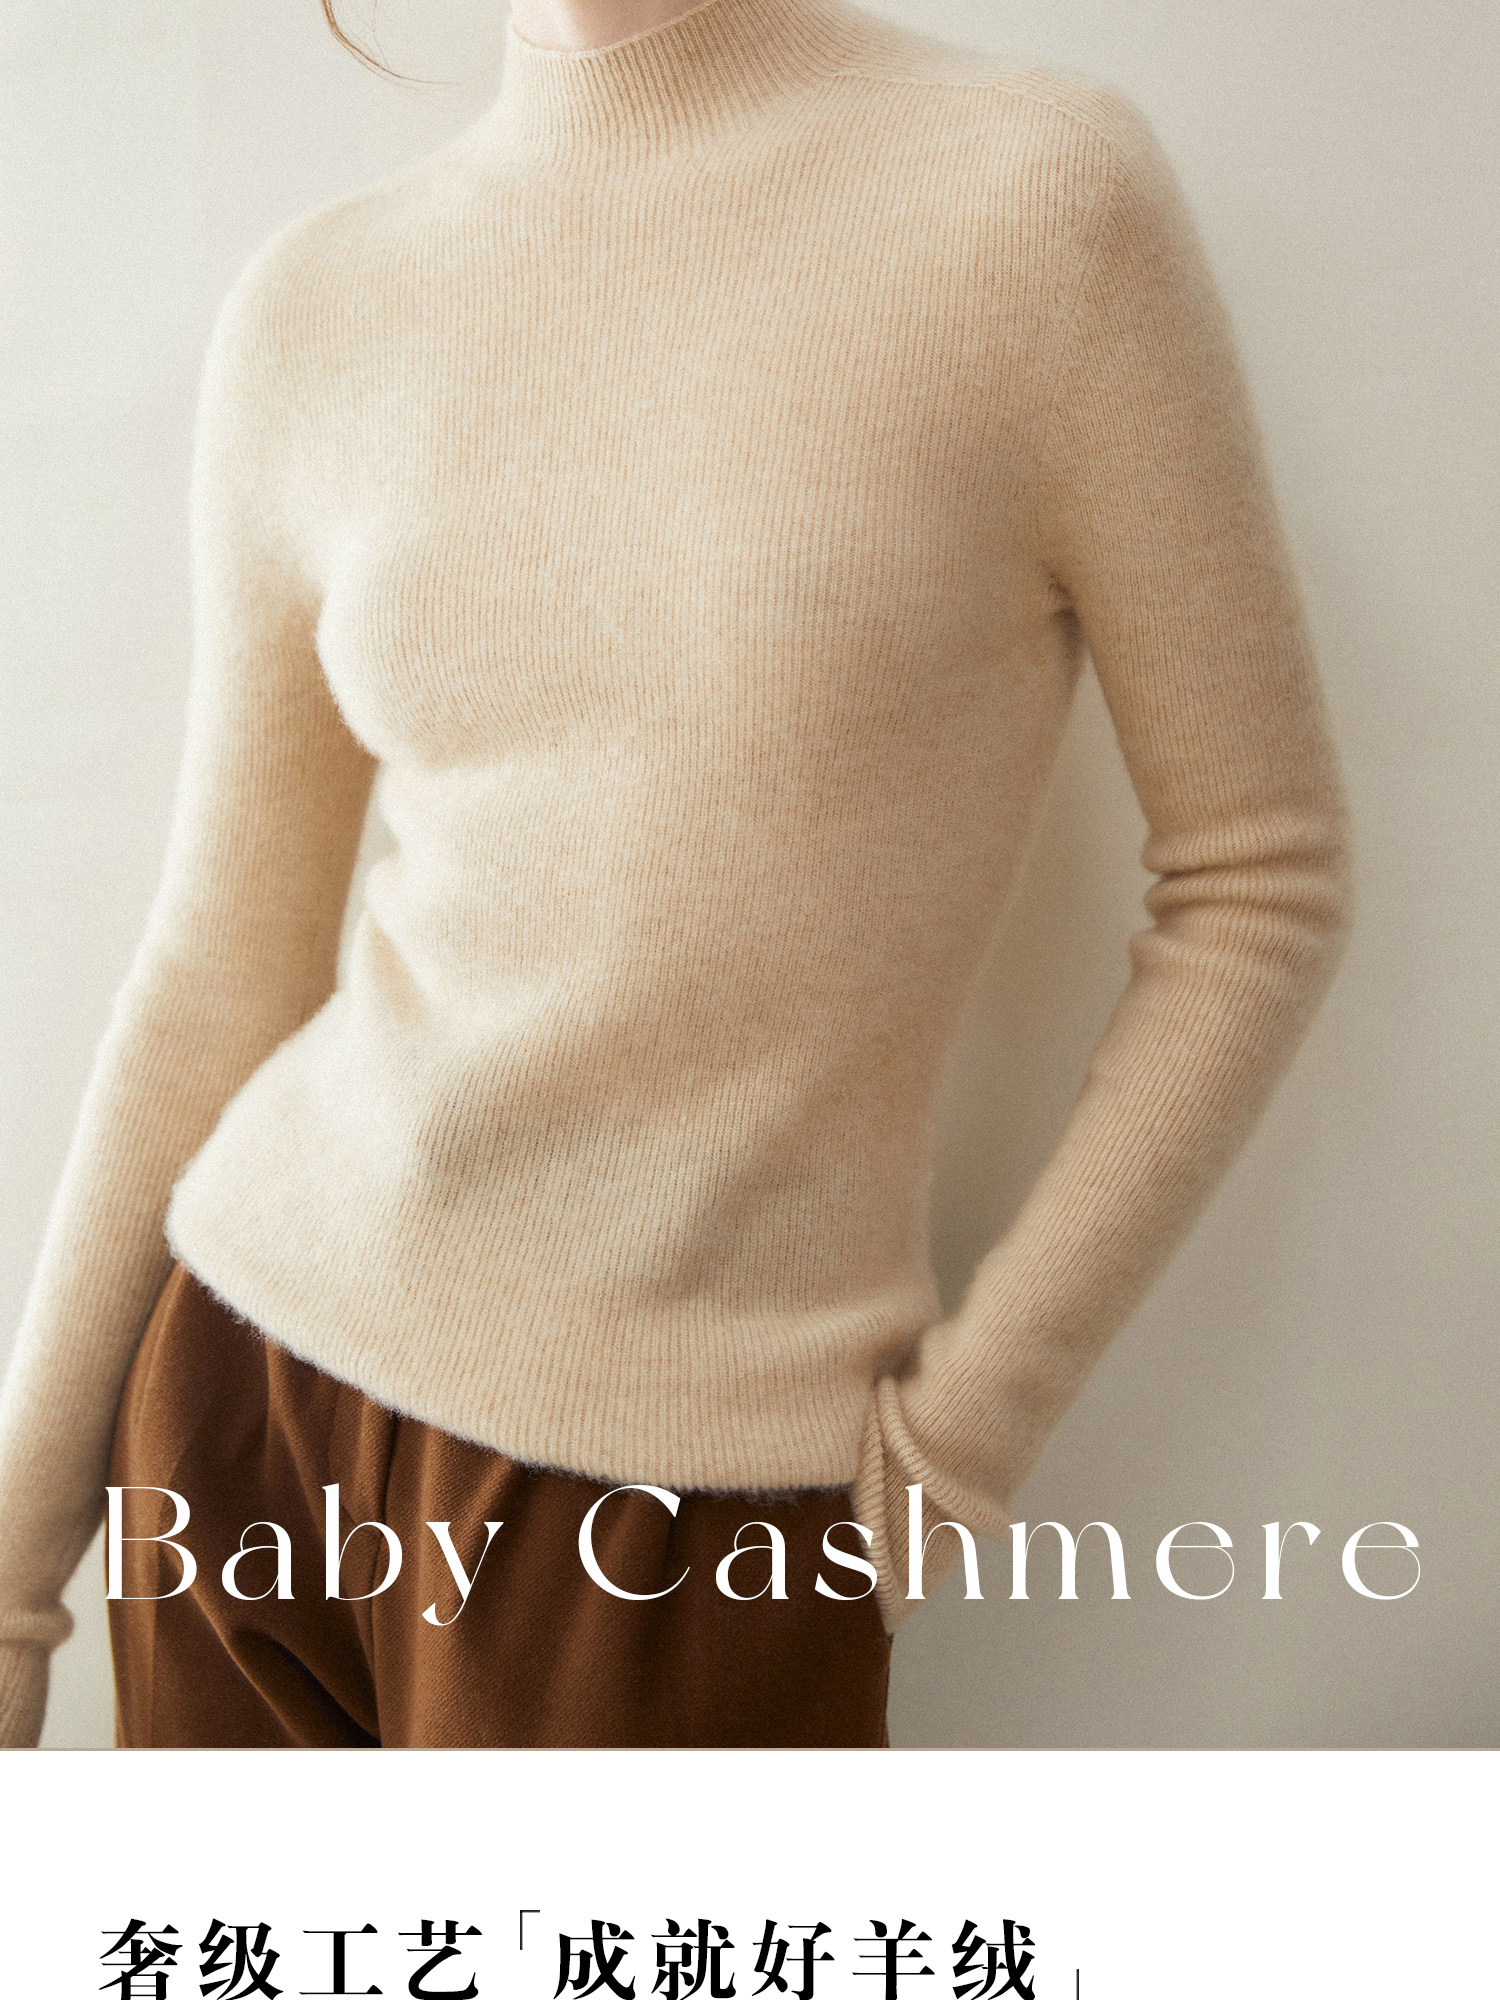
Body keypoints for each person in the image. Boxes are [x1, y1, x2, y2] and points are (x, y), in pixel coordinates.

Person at [0, 0, 1353, 1749]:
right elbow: (219, 967)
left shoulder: (1029, 199)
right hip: (241, 1399)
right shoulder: (313, 304)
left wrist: (956, 1452)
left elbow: (1259, 879)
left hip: (679, 1501)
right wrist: (16, 1563)